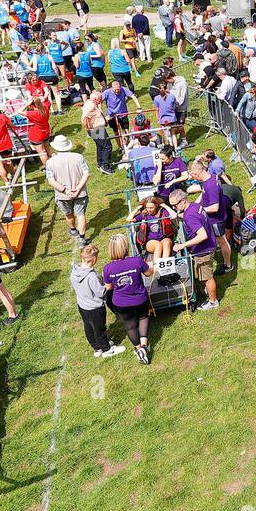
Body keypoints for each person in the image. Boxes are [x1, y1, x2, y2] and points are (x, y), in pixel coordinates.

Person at [102, 234, 155, 363]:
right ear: (125, 247)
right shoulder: (136, 261)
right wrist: (152, 265)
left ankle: (138, 349)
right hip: (140, 298)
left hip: (121, 303)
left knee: (130, 326)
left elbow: (108, 287)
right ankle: (144, 345)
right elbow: (149, 273)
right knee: (143, 317)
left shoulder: (107, 268)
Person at [70, 244, 126, 358]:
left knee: (88, 326)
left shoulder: (75, 271)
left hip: (82, 305)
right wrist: (109, 286)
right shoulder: (91, 277)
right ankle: (106, 350)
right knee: (99, 328)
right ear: (94, 259)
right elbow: (101, 293)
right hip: (95, 308)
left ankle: (97, 347)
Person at [45, 134, 91, 245]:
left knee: (69, 214)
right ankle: (82, 238)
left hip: (62, 196)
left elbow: (51, 181)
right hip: (80, 193)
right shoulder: (78, 157)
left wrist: (65, 191)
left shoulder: (50, 162)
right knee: (80, 215)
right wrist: (78, 188)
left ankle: (73, 230)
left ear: (55, 147)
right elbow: (86, 173)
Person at [179, 189, 221, 311]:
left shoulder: (189, 215)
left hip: (204, 250)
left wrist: (183, 245)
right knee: (203, 275)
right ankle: (207, 291)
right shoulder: (195, 206)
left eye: (175, 205)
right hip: (209, 245)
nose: (174, 207)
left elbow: (202, 235)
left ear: (183, 201)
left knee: (207, 277)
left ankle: (213, 302)